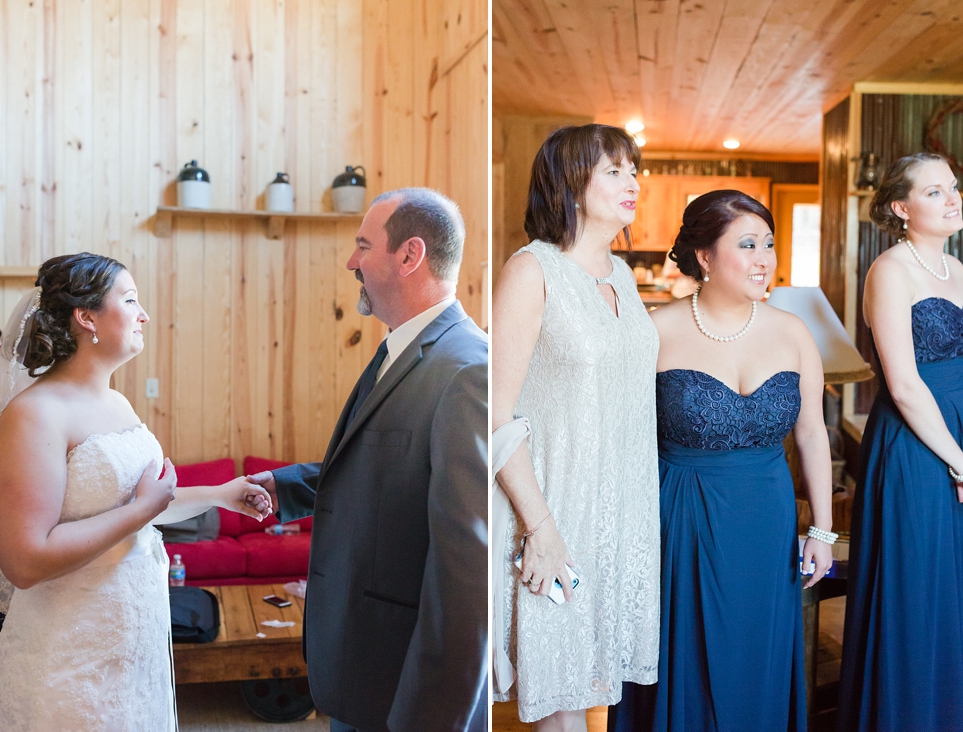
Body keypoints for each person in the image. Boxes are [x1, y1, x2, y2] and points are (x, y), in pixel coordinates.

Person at [246, 187, 488, 732]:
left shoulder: (467, 370)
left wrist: (433, 716)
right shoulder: (399, 348)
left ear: (410, 256)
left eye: (363, 245)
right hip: (365, 670)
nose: (351, 261)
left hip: (406, 687)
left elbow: (466, 576)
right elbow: (391, 466)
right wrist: (283, 487)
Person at [0, 252, 272, 730]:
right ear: (86, 318)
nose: (144, 314)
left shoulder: (118, 402)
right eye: (129, 300)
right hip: (71, 641)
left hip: (134, 632)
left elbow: (142, 504)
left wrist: (219, 494)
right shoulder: (35, 414)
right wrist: (144, 507)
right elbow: (25, 561)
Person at [610, 190, 834, 732]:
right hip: (680, 519)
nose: (765, 259)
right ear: (705, 257)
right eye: (748, 244)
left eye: (770, 245)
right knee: (685, 660)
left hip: (768, 520)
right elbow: (620, 440)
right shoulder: (654, 331)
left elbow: (812, 433)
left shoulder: (794, 332)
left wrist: (822, 531)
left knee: (757, 659)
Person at [492, 124, 660, 730]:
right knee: (557, 702)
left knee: (593, 693)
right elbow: (496, 414)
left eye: (633, 169)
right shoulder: (532, 271)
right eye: (613, 170)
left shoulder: (620, 276)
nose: (632, 182)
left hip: (619, 515)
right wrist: (541, 528)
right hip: (554, 511)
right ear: (569, 181)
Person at [837, 154, 963, 731]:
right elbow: (901, 382)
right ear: (901, 207)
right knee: (918, 588)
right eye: (936, 191)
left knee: (961, 586)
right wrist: (961, 466)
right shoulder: (888, 271)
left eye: (954, 188)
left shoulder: (957, 270)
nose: (954, 199)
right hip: (917, 447)